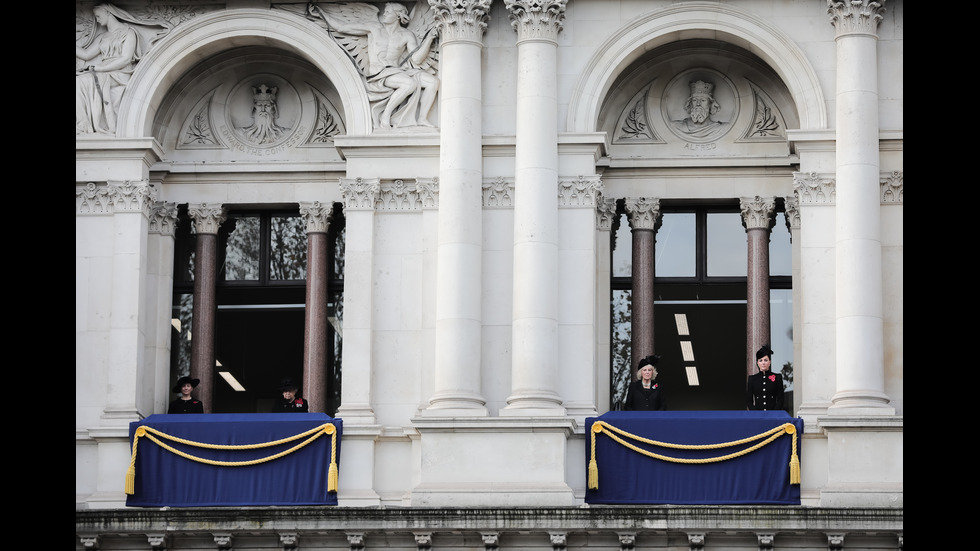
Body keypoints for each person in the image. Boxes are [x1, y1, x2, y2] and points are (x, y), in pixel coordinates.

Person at [309, 2, 440, 129]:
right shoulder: (374, 28)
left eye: (388, 12)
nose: (384, 13)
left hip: (398, 71)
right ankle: (385, 116)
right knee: (409, 84)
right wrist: (321, 13)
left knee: (433, 82)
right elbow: (342, 27)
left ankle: (422, 118)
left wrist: (429, 40)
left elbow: (416, 59)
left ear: (398, 16)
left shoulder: (406, 35)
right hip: (379, 73)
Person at [75, 3, 169, 135]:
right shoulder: (103, 37)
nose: (97, 19)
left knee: (79, 82)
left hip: (119, 73)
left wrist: (101, 69)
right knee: (77, 82)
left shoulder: (128, 32)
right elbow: (86, 54)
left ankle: (86, 125)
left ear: (108, 12)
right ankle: (83, 124)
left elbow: (125, 59)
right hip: (103, 71)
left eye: (98, 16)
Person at [746, 344, 784, 411]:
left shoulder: (777, 377)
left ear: (770, 362)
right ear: (757, 363)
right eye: (760, 360)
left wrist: (774, 413)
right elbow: (749, 401)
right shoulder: (752, 379)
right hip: (758, 416)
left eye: (765, 360)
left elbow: (781, 399)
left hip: (773, 415)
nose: (763, 363)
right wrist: (755, 413)